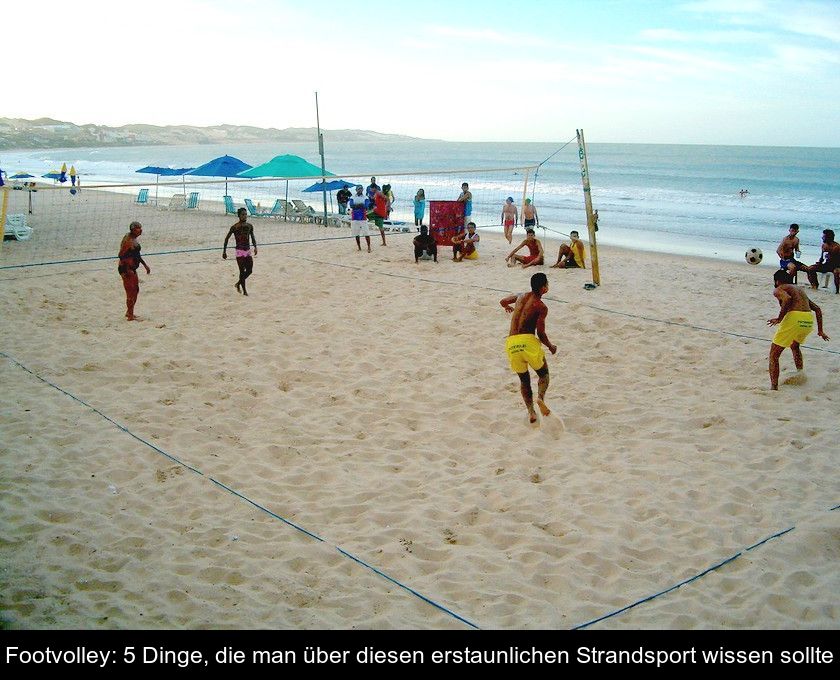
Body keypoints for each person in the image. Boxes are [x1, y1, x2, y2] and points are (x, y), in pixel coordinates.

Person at [500, 272, 557, 423]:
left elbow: (503, 301)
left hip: (511, 342)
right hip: (528, 341)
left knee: (524, 380)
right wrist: (551, 347)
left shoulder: (520, 296)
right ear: (544, 288)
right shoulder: (541, 306)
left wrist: (508, 307)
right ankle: (540, 398)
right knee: (543, 374)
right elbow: (541, 333)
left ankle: (531, 412)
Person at [767, 270, 829, 390]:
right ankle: (800, 373)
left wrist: (780, 318)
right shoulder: (799, 290)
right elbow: (817, 309)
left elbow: (787, 299)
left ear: (777, 281)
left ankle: (774, 387)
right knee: (795, 346)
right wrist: (820, 331)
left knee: (774, 355)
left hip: (794, 318)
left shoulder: (779, 288)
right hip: (808, 320)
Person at [118, 221, 150, 321]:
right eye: (138, 228)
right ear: (133, 230)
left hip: (132, 268)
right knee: (130, 292)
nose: (141, 230)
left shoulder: (134, 239)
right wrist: (127, 269)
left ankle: (129, 312)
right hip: (126, 269)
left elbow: (137, 255)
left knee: (136, 290)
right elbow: (121, 255)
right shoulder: (128, 240)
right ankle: (130, 316)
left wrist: (145, 265)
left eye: (141, 228)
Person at [222, 207, 258, 295]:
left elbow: (252, 237)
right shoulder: (235, 227)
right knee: (242, 271)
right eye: (243, 214)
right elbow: (227, 239)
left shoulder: (249, 226)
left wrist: (255, 247)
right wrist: (224, 251)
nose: (244, 216)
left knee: (249, 271)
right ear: (239, 216)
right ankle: (244, 291)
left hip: (247, 250)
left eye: (246, 214)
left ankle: (238, 283)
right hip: (239, 251)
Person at [806, 229, 840, 294]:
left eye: (824, 237)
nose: (822, 238)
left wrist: (831, 257)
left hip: (836, 265)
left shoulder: (836, 247)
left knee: (836, 272)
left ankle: (837, 290)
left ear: (828, 238)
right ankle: (815, 285)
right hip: (827, 265)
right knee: (810, 268)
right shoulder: (824, 245)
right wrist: (819, 262)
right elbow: (822, 257)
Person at [348, 185, 371, 252]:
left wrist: (357, 206)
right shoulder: (352, 197)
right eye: (358, 189)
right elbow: (351, 205)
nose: (360, 190)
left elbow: (366, 206)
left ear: (362, 190)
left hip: (363, 217)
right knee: (356, 234)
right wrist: (360, 205)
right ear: (356, 190)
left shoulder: (365, 197)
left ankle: (369, 247)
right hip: (355, 217)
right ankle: (359, 247)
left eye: (361, 189)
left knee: (366, 233)